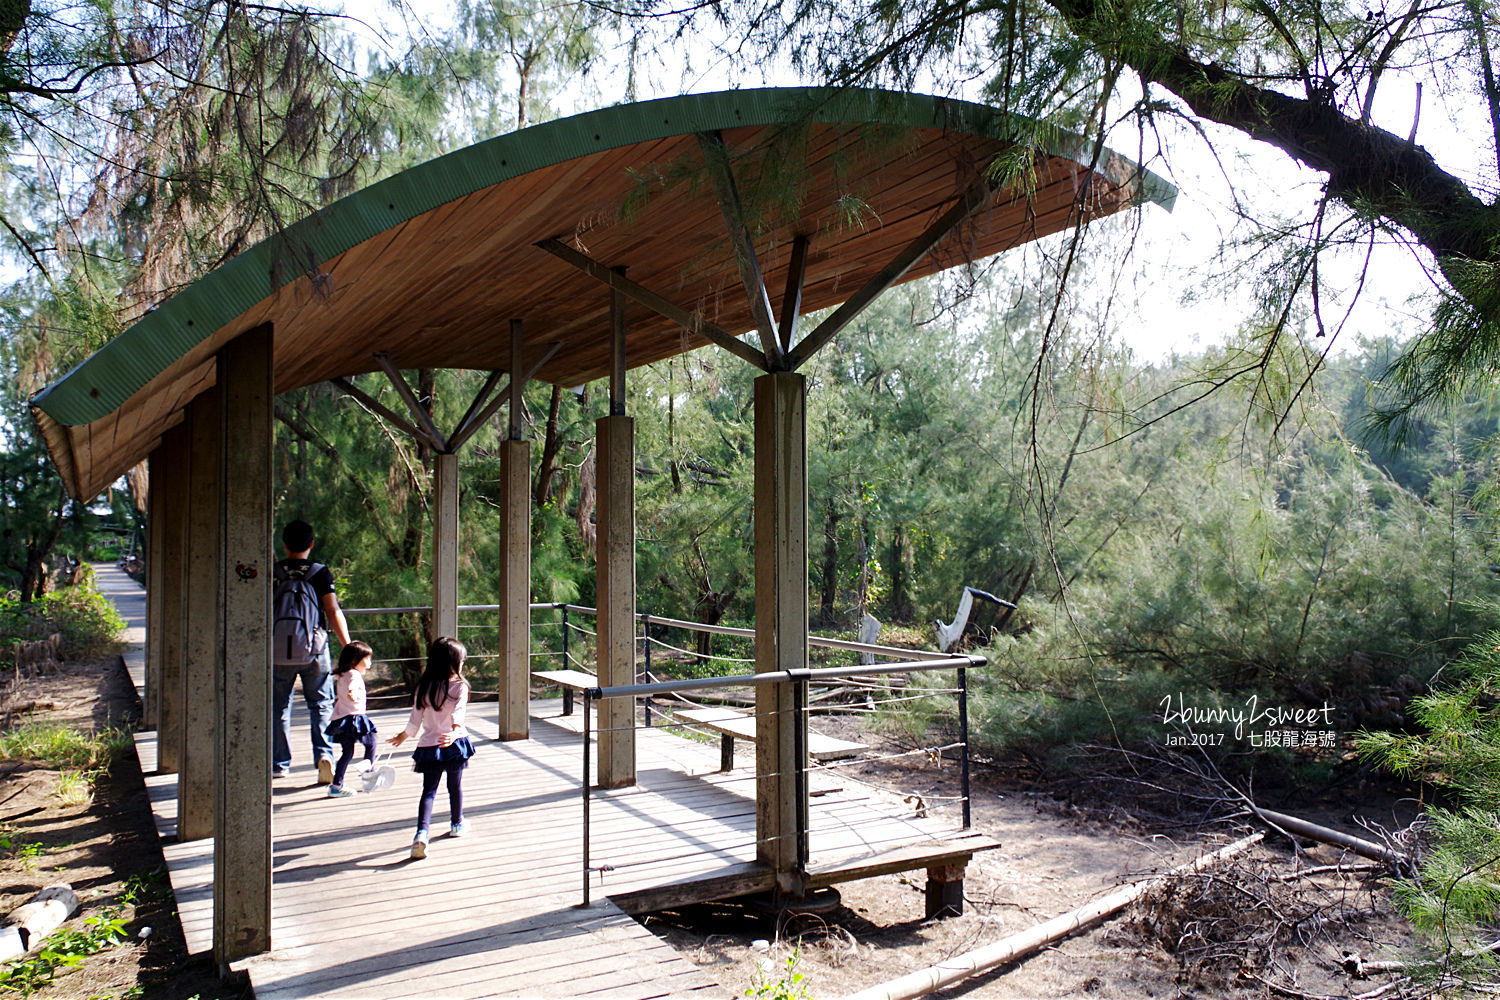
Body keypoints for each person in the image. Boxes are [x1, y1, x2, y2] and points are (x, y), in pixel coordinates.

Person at [272, 519, 352, 783]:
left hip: (276, 652)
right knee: (320, 704)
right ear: (311, 544)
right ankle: (323, 755)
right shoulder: (319, 572)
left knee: (278, 707)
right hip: (315, 649)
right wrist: (347, 645)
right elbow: (332, 610)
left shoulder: (274, 572)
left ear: (284, 545)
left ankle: (279, 763)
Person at [389, 636, 475, 859]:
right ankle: (457, 824)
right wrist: (454, 733)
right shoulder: (459, 687)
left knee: (429, 791)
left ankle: (421, 833)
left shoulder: (424, 686)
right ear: (453, 663)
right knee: (454, 786)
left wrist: (402, 737)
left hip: (429, 746)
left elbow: (415, 720)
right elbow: (458, 716)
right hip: (453, 744)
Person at [324, 640, 378, 797]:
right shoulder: (354, 674)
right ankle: (369, 775)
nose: (369, 663)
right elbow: (352, 688)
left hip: (342, 720)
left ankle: (336, 784)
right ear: (355, 660)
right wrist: (352, 693)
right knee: (371, 743)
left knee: (347, 752)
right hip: (355, 719)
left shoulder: (342, 674)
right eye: (367, 659)